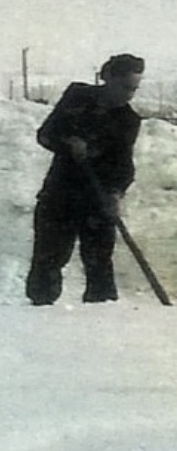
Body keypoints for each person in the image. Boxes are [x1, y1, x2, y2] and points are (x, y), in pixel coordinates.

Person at [25, 53, 144, 306]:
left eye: (134, 89)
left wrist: (116, 192)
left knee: (99, 264)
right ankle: (39, 311)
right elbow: (46, 135)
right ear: (108, 78)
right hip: (60, 196)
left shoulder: (128, 120)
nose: (129, 95)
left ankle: (101, 316)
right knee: (48, 259)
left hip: (97, 200)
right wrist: (68, 143)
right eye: (125, 87)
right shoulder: (77, 97)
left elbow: (123, 165)